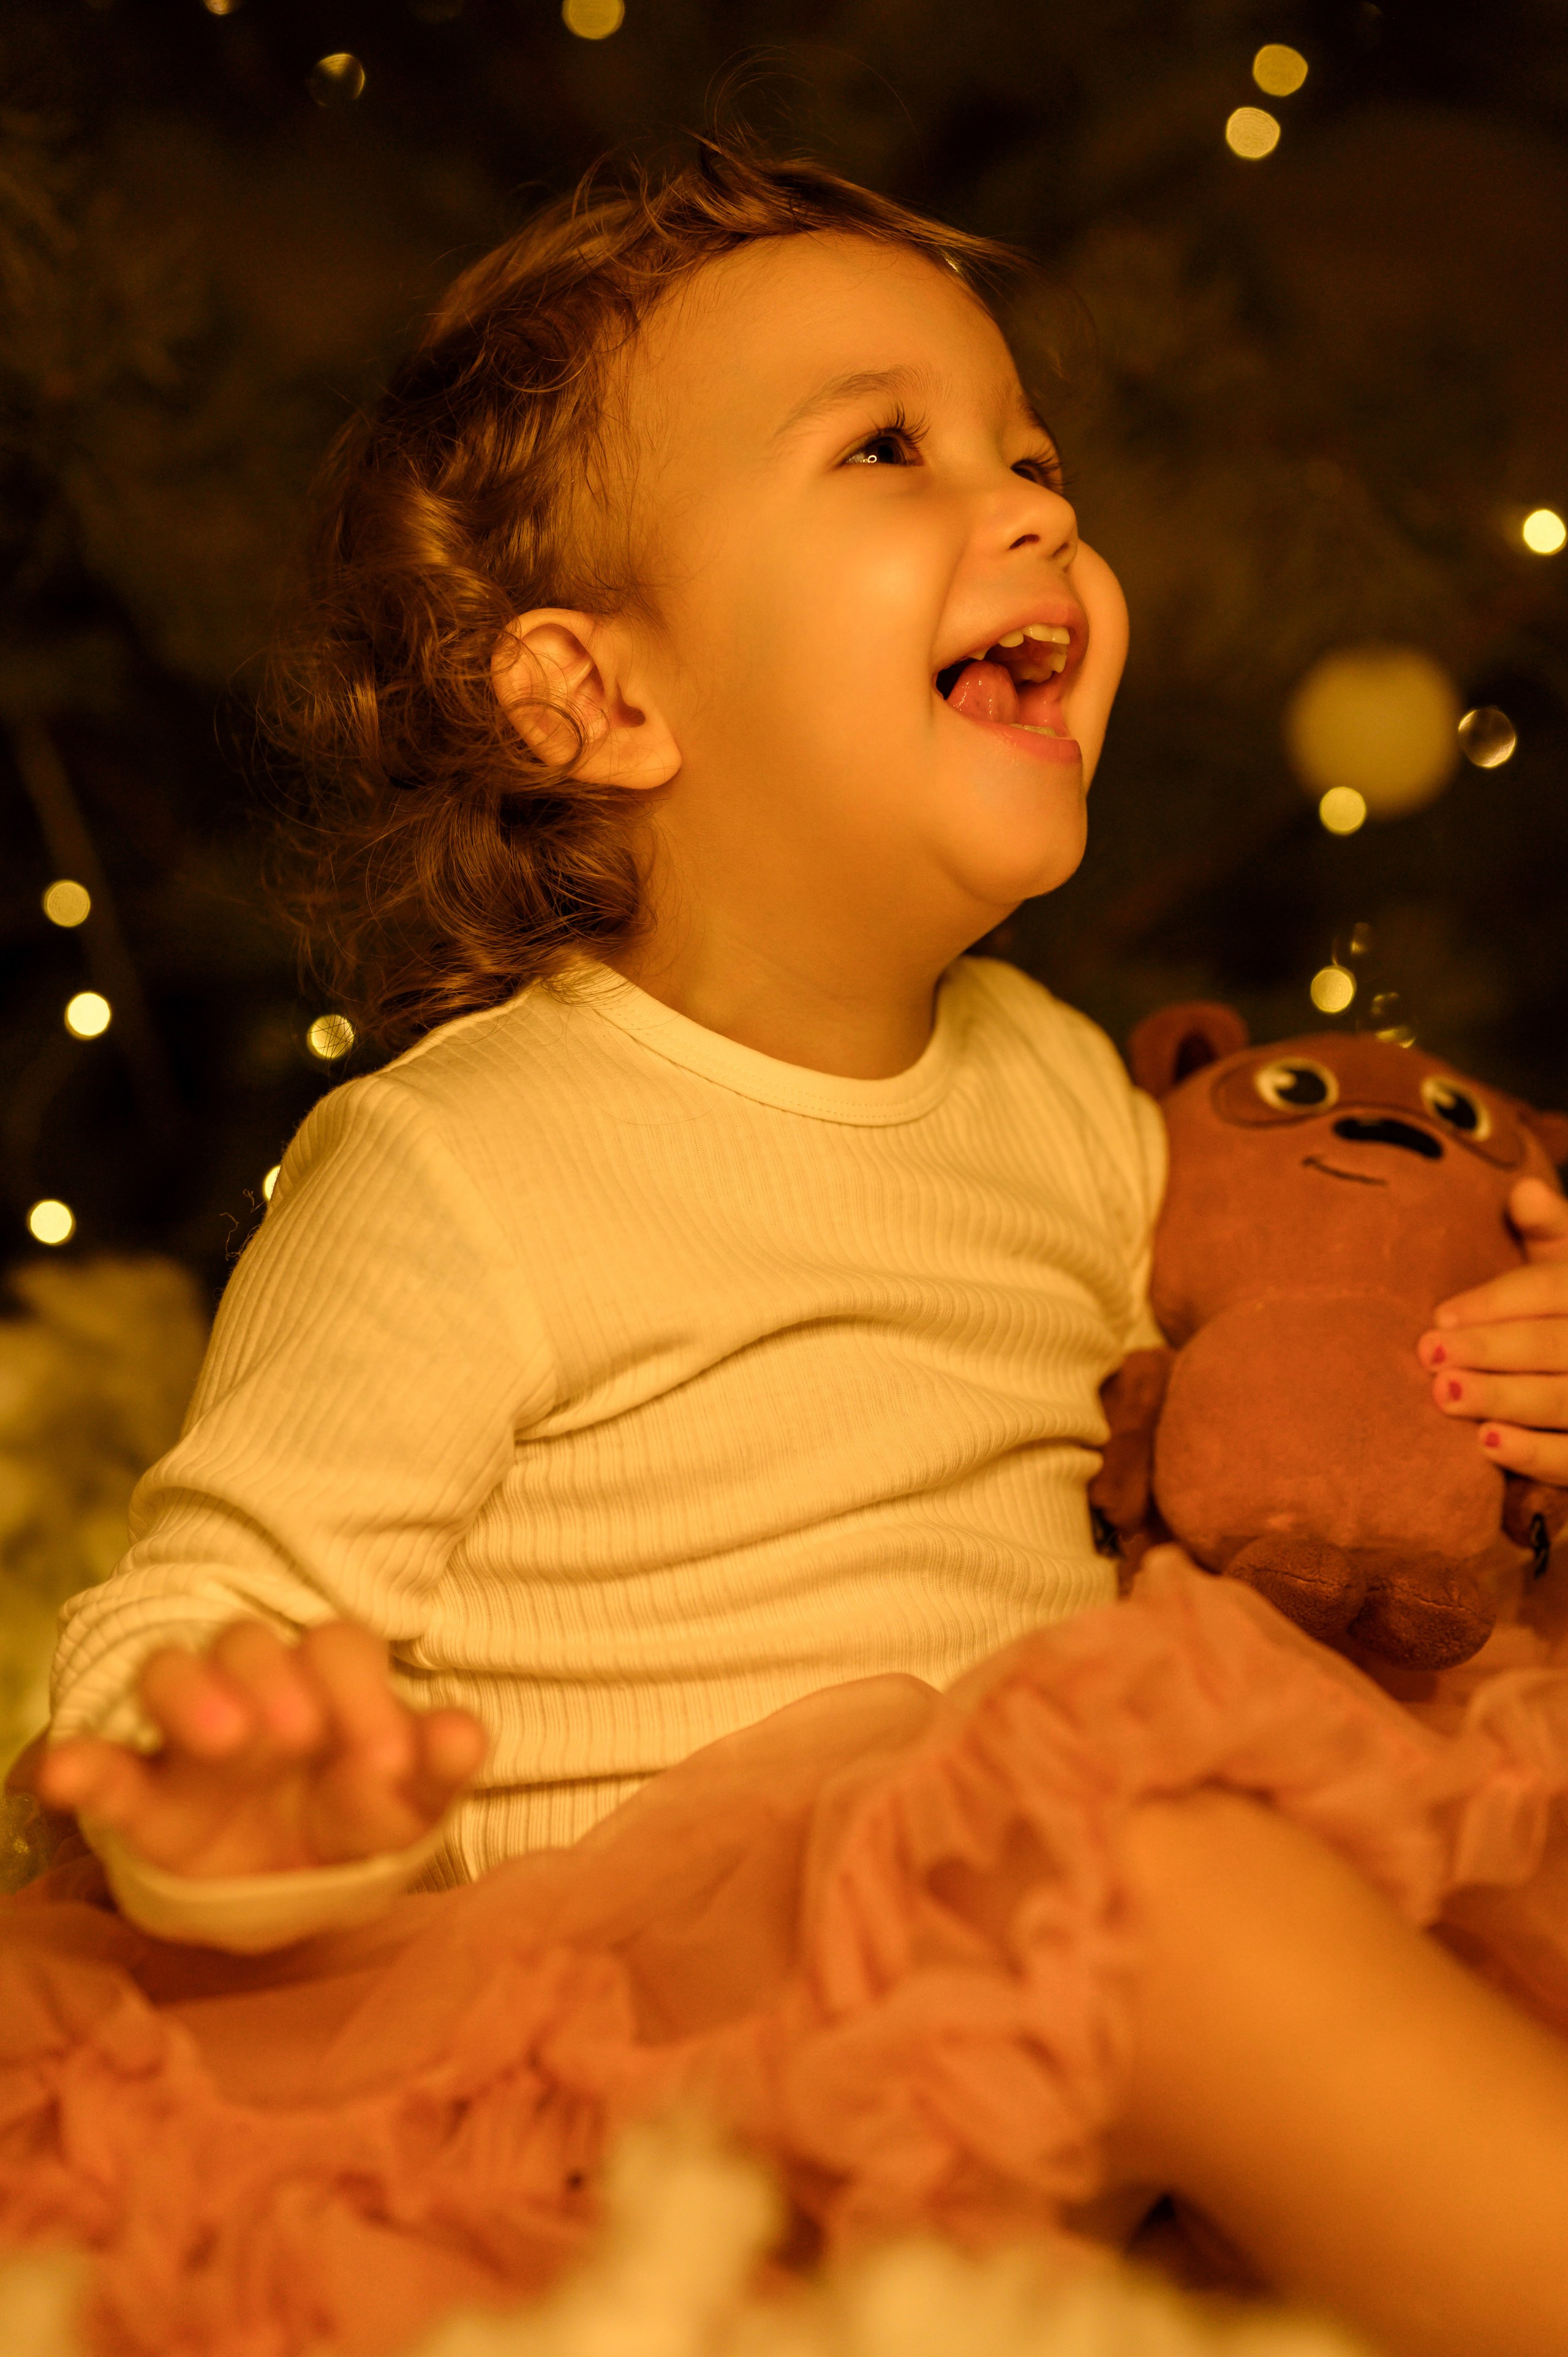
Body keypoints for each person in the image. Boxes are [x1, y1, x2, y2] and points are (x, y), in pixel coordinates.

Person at [12, 138, 1568, 2357]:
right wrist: (236, 1784)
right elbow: (201, 1605)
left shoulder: (1053, 1092)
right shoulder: (467, 1165)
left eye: (1032, 453)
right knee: (1151, 1873)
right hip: (638, 2109)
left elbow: (1278, 1435)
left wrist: (1501, 1377)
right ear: (600, 703)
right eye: (890, 451)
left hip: (1022, 2096)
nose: (1033, 506)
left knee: (1307, 1833)